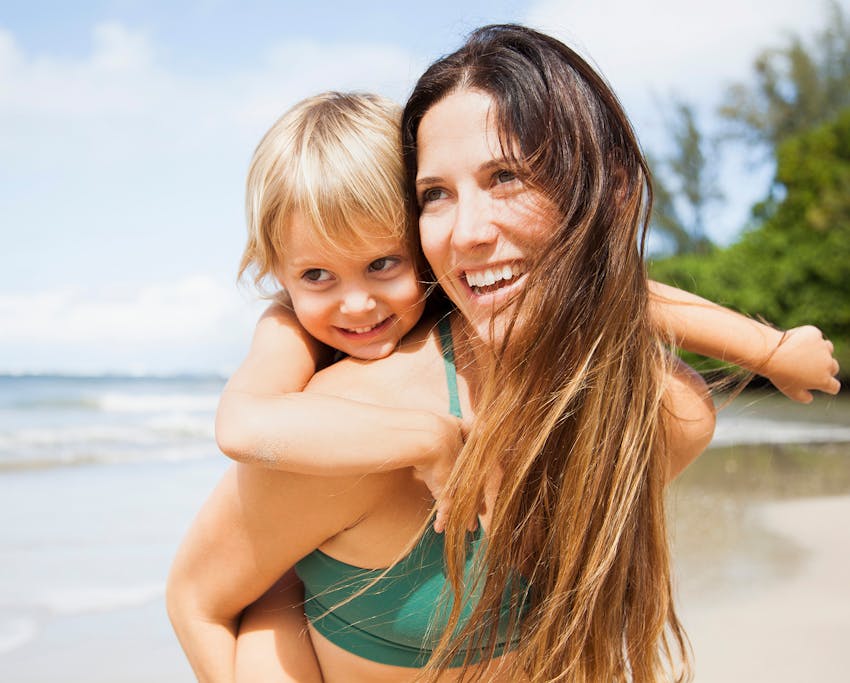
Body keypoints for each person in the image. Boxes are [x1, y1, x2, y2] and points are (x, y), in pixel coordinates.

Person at [167, 32, 840, 682]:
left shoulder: (660, 414)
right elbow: (203, 586)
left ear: (608, 192)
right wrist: (423, 437)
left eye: (506, 177)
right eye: (437, 194)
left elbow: (617, 293)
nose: (468, 230)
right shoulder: (341, 422)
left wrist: (774, 349)